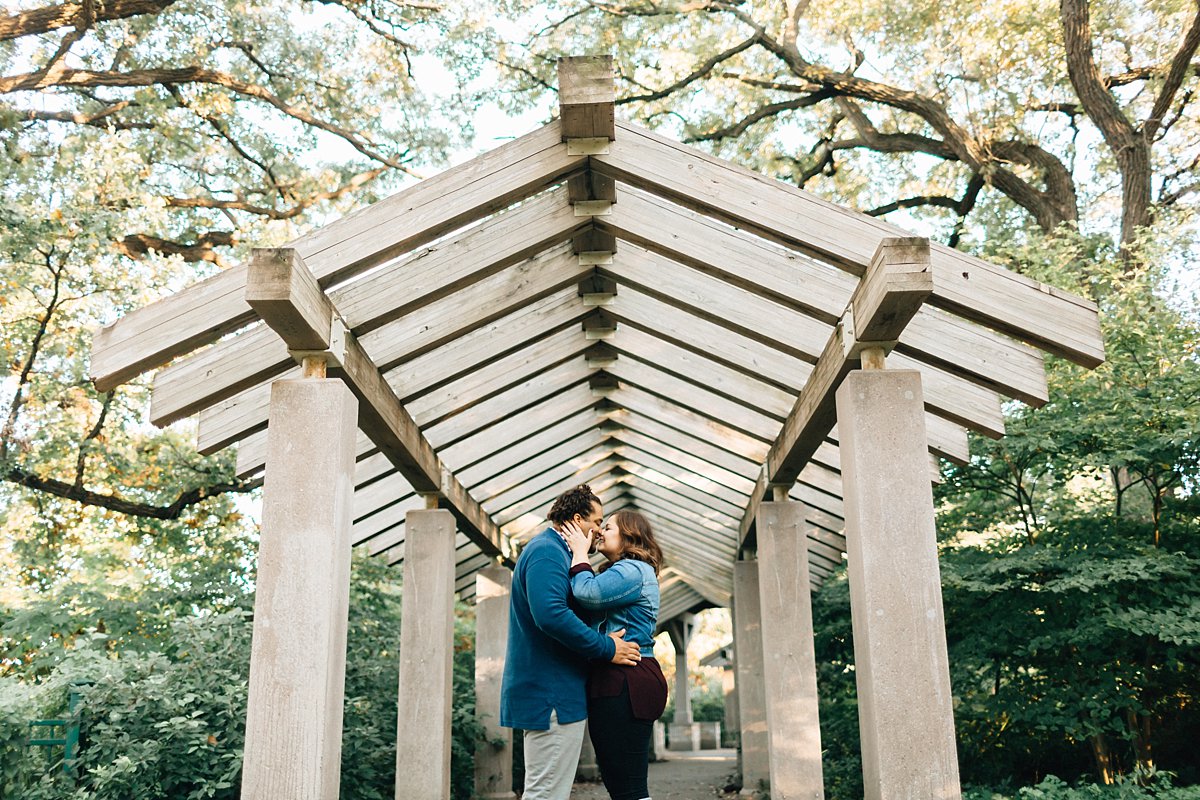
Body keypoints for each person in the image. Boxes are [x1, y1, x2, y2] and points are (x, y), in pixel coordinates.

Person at [500, 484, 642, 800]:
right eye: (597, 522)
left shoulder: (557, 552)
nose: (600, 531)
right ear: (578, 519)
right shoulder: (547, 551)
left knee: (550, 792)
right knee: (546, 794)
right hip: (551, 694)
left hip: (557, 692)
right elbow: (550, 614)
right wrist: (607, 648)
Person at [562, 510, 668, 800]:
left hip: (627, 678)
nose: (599, 532)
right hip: (621, 676)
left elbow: (587, 593)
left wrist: (580, 553)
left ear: (628, 536)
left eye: (607, 528)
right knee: (620, 780)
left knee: (628, 784)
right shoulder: (622, 570)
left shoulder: (631, 569)